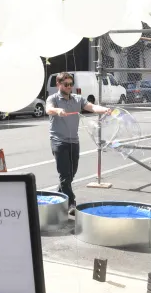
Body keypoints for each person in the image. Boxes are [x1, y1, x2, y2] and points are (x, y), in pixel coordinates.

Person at [45, 72, 113, 208]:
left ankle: (57, 198)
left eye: (71, 84)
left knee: (71, 174)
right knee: (65, 174)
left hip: (74, 142)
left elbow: (91, 107)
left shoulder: (77, 99)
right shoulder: (53, 98)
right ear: (59, 84)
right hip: (58, 141)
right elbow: (48, 109)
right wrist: (57, 110)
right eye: (66, 84)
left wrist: (104, 109)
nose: (69, 87)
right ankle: (71, 203)